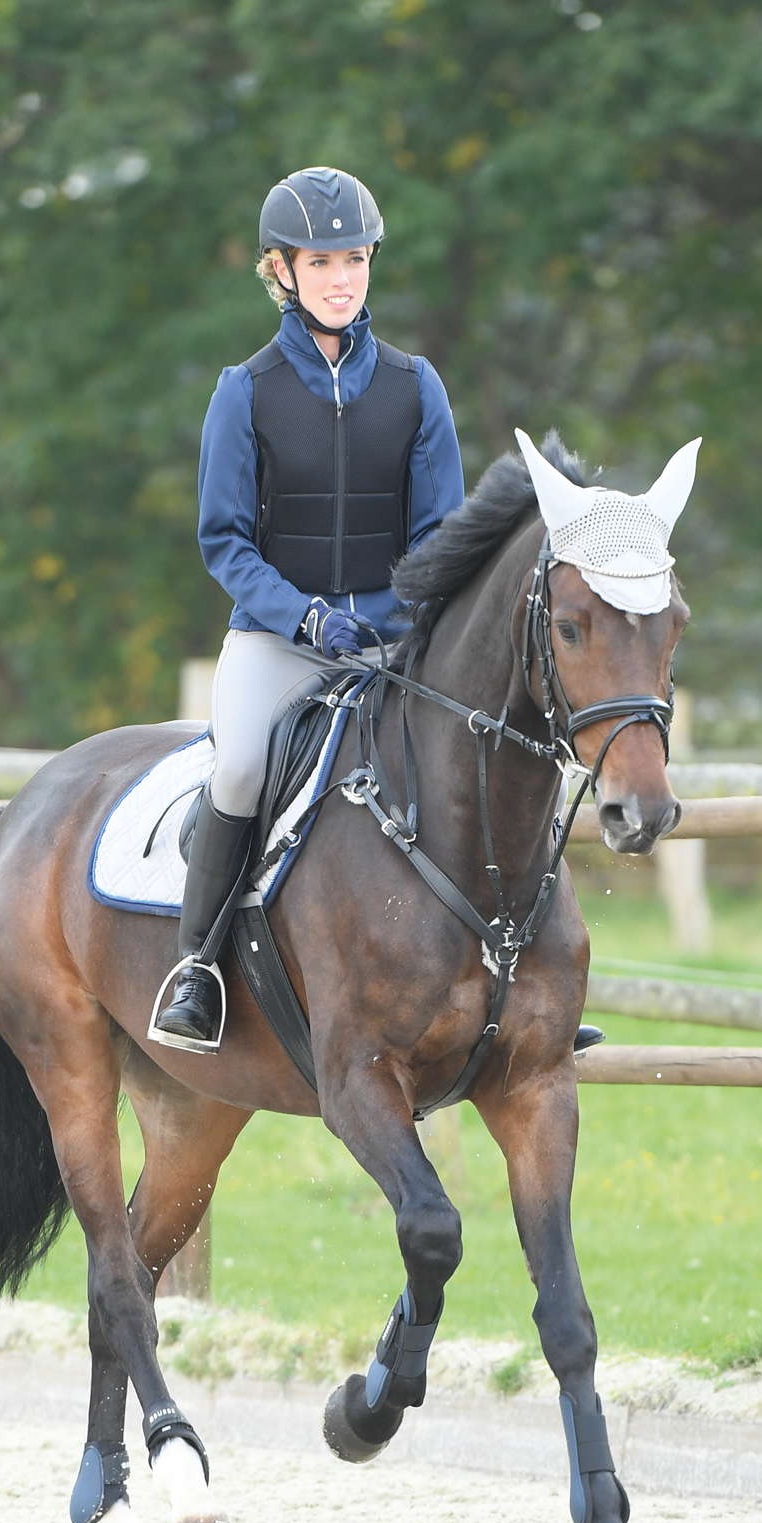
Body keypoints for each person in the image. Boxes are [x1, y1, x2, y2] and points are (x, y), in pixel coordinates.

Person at [150, 164, 466, 1052]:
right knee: (243, 767)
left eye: (355, 260)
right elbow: (224, 543)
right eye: (321, 261)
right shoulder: (243, 391)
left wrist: (392, 615)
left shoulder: (415, 386)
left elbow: (442, 534)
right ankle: (196, 969)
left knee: (470, 759)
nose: (341, 277)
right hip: (279, 639)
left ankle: (512, 971)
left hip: (393, 643)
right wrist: (303, 616)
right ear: (280, 272)